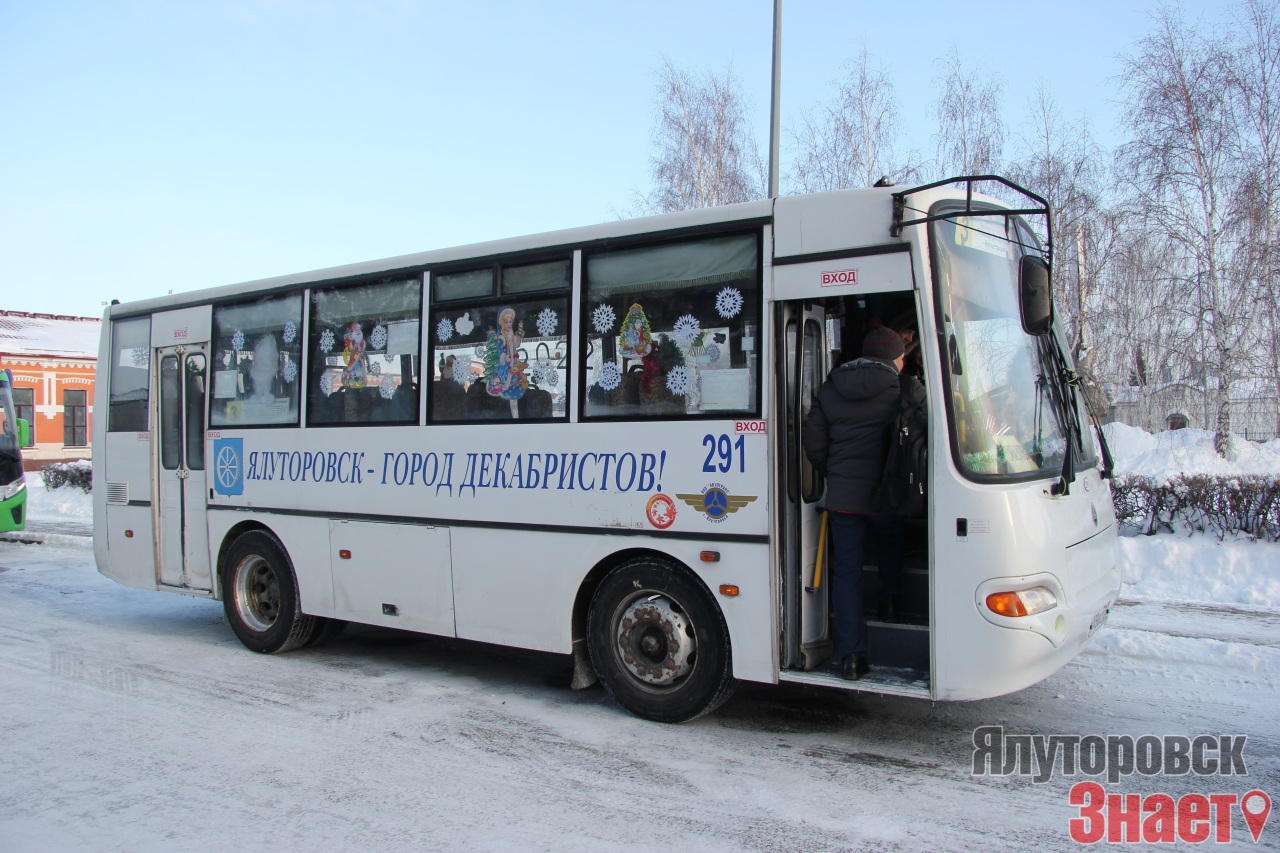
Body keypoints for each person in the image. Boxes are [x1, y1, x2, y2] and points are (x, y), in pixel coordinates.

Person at [803, 319, 926, 681]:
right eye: (902, 356)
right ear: (893, 358)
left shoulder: (830, 388)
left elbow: (815, 444)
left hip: (842, 498)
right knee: (891, 540)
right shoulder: (907, 390)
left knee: (847, 575)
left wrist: (835, 474)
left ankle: (852, 656)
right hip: (886, 494)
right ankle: (890, 601)